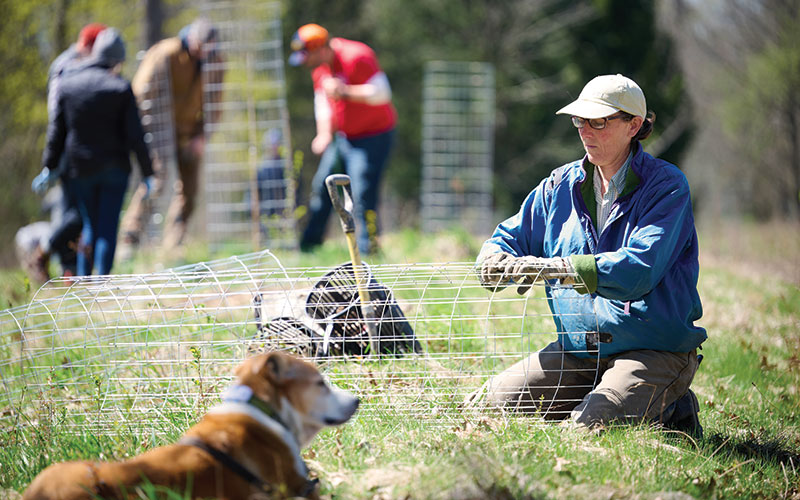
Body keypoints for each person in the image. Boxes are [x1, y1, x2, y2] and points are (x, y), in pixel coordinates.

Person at [476, 74, 706, 435]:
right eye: (579, 121)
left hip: (651, 349)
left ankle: (670, 403)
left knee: (587, 428)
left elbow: (639, 270)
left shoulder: (667, 187)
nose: (585, 131)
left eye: (598, 122)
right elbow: (510, 236)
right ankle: (626, 396)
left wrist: (561, 269)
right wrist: (493, 257)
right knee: (488, 409)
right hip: (579, 350)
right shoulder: (559, 186)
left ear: (633, 125)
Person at [41, 28, 154, 276]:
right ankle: (102, 284)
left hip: (80, 168)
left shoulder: (68, 85)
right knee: (107, 227)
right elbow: (136, 136)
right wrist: (148, 173)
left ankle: (84, 283)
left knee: (89, 225)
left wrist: (48, 166)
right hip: (114, 170)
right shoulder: (120, 88)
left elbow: (57, 132)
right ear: (116, 60)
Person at [289, 23, 397, 255]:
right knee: (322, 185)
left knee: (363, 192)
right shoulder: (320, 68)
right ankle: (309, 247)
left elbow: (381, 92)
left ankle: (370, 250)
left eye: (307, 55)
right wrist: (324, 133)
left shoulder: (357, 56)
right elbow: (322, 102)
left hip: (373, 136)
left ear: (320, 49)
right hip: (343, 137)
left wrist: (345, 91)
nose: (305, 62)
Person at [119, 19, 224, 254]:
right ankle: (130, 238)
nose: (203, 53)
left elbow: (215, 103)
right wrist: (143, 130)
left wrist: (203, 136)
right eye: (200, 47)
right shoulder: (167, 53)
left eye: (209, 48)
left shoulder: (215, 61)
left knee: (190, 191)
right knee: (155, 181)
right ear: (192, 39)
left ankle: (174, 243)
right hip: (159, 130)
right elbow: (141, 92)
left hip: (190, 133)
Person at [26, 23, 106, 282]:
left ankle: (69, 270)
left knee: (77, 214)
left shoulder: (77, 64)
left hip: (79, 150)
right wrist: (53, 162)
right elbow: (57, 117)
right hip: (69, 152)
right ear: (90, 44)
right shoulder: (66, 66)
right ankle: (44, 253)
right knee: (76, 215)